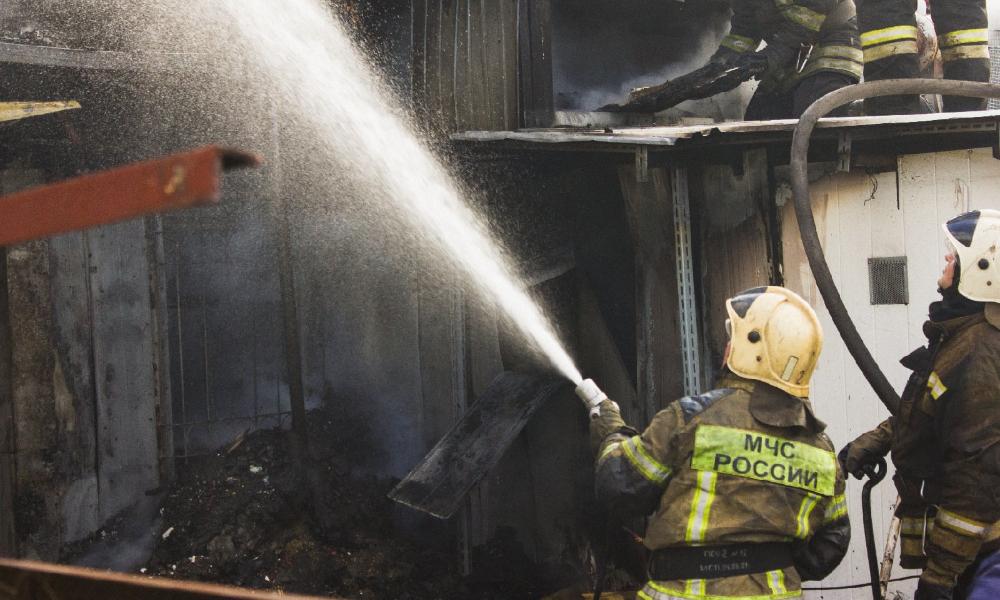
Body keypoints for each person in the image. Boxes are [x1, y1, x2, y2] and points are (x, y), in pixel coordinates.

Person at [576, 286, 850, 599]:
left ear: (754, 347)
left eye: (735, 337)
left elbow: (620, 488)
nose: (728, 345)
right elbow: (832, 543)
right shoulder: (821, 449)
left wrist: (611, 430)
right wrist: (763, 569)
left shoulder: (690, 418)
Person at [841, 209, 1000, 599]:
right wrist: (876, 441)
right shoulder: (961, 338)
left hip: (984, 556)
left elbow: (975, 477)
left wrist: (940, 578)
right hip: (973, 554)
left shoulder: (978, 354)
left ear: (979, 269)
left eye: (954, 256)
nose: (946, 261)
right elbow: (930, 410)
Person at [710, 0, 863, 119]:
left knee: (809, 115)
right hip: (788, 54)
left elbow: (810, 15)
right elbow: (744, 30)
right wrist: (716, 67)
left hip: (831, 47)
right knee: (759, 117)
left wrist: (771, 56)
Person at [857, 0, 990, 115]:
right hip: (972, 119)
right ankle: (968, 125)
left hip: (892, 118)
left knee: (892, 103)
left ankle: (893, 126)